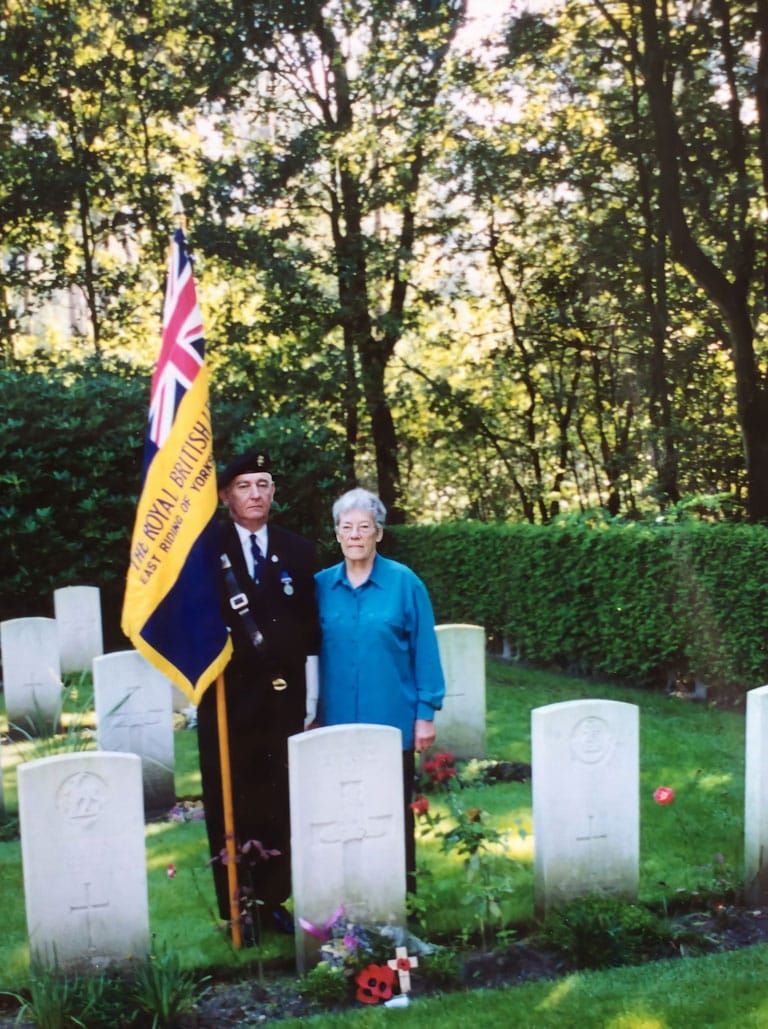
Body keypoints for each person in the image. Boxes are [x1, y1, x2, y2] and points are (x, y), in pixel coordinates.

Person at [197, 448, 320, 936]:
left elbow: (309, 629)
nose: (255, 494)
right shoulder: (203, 551)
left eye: (263, 484)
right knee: (228, 793)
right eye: (245, 485)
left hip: (282, 698)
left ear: (273, 493)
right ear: (227, 495)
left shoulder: (298, 550)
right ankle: (236, 905)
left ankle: (271, 898)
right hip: (226, 697)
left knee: (277, 797)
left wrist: (311, 699)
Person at [313, 487, 445, 892]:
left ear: (378, 533)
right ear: (336, 534)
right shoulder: (318, 586)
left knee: (389, 812)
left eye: (364, 527)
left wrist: (425, 714)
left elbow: (425, 649)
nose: (355, 535)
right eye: (346, 527)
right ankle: (345, 894)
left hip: (391, 720)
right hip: (332, 723)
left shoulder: (405, 584)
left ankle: (401, 896)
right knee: (339, 814)